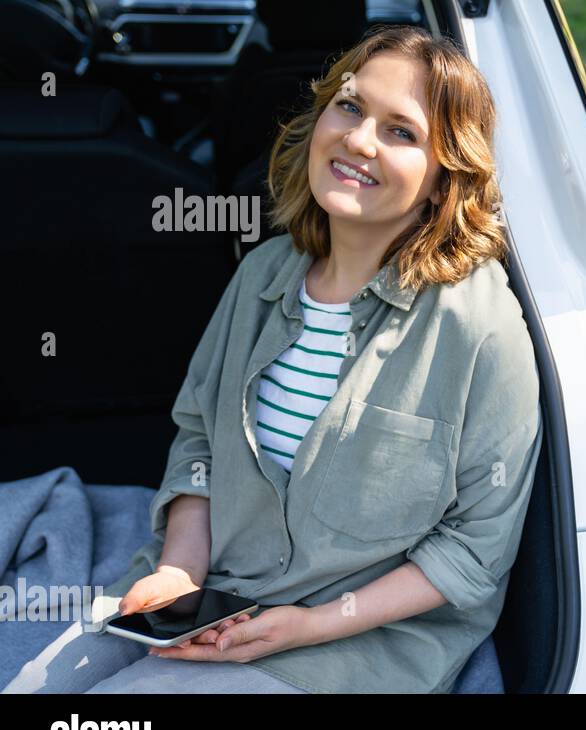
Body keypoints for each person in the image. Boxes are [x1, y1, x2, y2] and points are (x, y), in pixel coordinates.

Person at [3, 25, 542, 694]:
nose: (359, 140)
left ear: (444, 179)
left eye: (401, 131)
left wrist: (310, 625)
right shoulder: (262, 272)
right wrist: (181, 572)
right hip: (218, 592)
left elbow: (474, 548)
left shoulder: (479, 325)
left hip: (356, 638)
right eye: (350, 107)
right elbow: (199, 440)